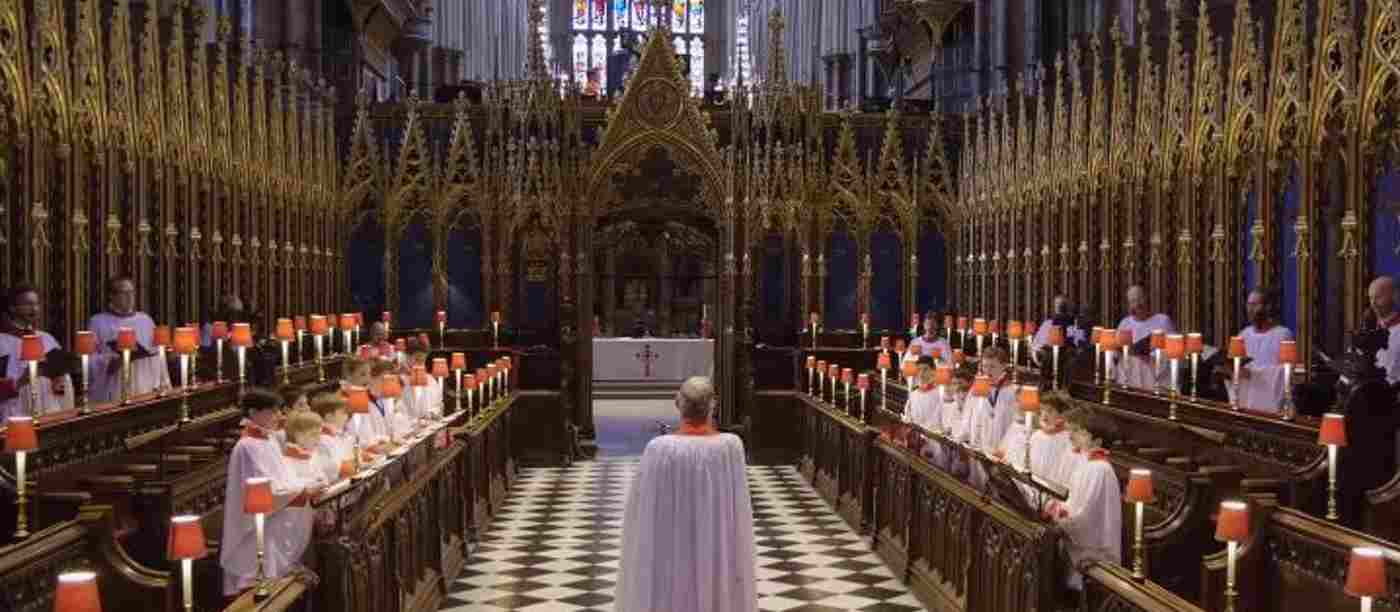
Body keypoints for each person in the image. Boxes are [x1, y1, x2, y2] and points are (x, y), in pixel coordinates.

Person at [615, 377, 756, 612]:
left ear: (677, 403)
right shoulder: (731, 447)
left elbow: (642, 510)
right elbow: (738, 511)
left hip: (673, 544)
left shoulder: (659, 448)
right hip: (714, 541)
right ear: (714, 405)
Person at [219, 388, 324, 599]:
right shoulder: (247, 446)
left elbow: (285, 477)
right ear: (253, 412)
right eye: (274, 411)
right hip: (258, 527)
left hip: (274, 518)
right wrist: (304, 490)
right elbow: (267, 491)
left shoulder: (268, 440)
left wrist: (309, 484)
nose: (280, 416)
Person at [1048, 430, 1122, 591]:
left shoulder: (1101, 470)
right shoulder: (1088, 464)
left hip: (1094, 548)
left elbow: (1087, 516)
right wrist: (1059, 508)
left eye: (1082, 432)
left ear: (1098, 442)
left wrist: (1063, 522)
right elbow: (1075, 503)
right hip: (1082, 538)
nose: (1074, 435)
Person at [87, 277, 171, 402]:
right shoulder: (98, 321)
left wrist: (163, 381)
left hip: (143, 384)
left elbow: (157, 354)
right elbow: (89, 357)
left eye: (131, 292)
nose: (129, 297)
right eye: (124, 293)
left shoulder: (145, 320)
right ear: (112, 296)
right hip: (114, 386)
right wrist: (109, 362)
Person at [0, 285, 74, 417]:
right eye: (27, 304)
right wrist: (21, 380)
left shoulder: (46, 338)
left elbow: (61, 377)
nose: (34, 309)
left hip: (48, 408)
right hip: (17, 411)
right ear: (12, 308)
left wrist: (60, 381)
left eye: (36, 304)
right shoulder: (2, 342)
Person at [1224, 288, 1294, 414]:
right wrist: (1229, 371)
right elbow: (1235, 368)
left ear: (1267, 307)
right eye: (1248, 304)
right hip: (1246, 402)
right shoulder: (1243, 335)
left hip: (1271, 404)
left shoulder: (1283, 334)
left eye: (1255, 305)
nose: (1250, 309)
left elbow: (1285, 372)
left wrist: (1252, 375)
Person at [1116, 285, 1176, 390]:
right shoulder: (1124, 323)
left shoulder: (1162, 320)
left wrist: (1152, 358)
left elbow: (1174, 350)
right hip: (1131, 379)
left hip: (1157, 378)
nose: (1137, 304)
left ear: (1146, 298)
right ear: (1129, 304)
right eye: (1133, 301)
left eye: (1140, 298)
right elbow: (1117, 353)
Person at [310, 392, 356, 483]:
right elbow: (342, 469)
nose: (347, 416)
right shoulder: (322, 439)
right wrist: (356, 461)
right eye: (343, 413)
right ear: (329, 417)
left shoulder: (336, 435)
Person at [1030, 295, 1088, 361]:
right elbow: (1035, 347)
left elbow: (1080, 347)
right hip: (1047, 361)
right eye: (1058, 304)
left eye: (1062, 304)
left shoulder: (1076, 325)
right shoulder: (1047, 324)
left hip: (1067, 363)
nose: (1060, 306)